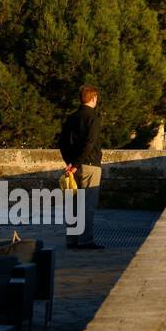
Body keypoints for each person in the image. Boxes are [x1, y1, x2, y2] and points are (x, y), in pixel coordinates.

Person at [58, 86, 104, 250]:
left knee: (73, 204)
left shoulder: (71, 117)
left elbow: (62, 142)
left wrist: (70, 163)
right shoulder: (93, 118)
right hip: (89, 165)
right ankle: (85, 241)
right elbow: (90, 143)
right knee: (87, 205)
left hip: (72, 166)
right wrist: (77, 164)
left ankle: (72, 240)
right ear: (93, 98)